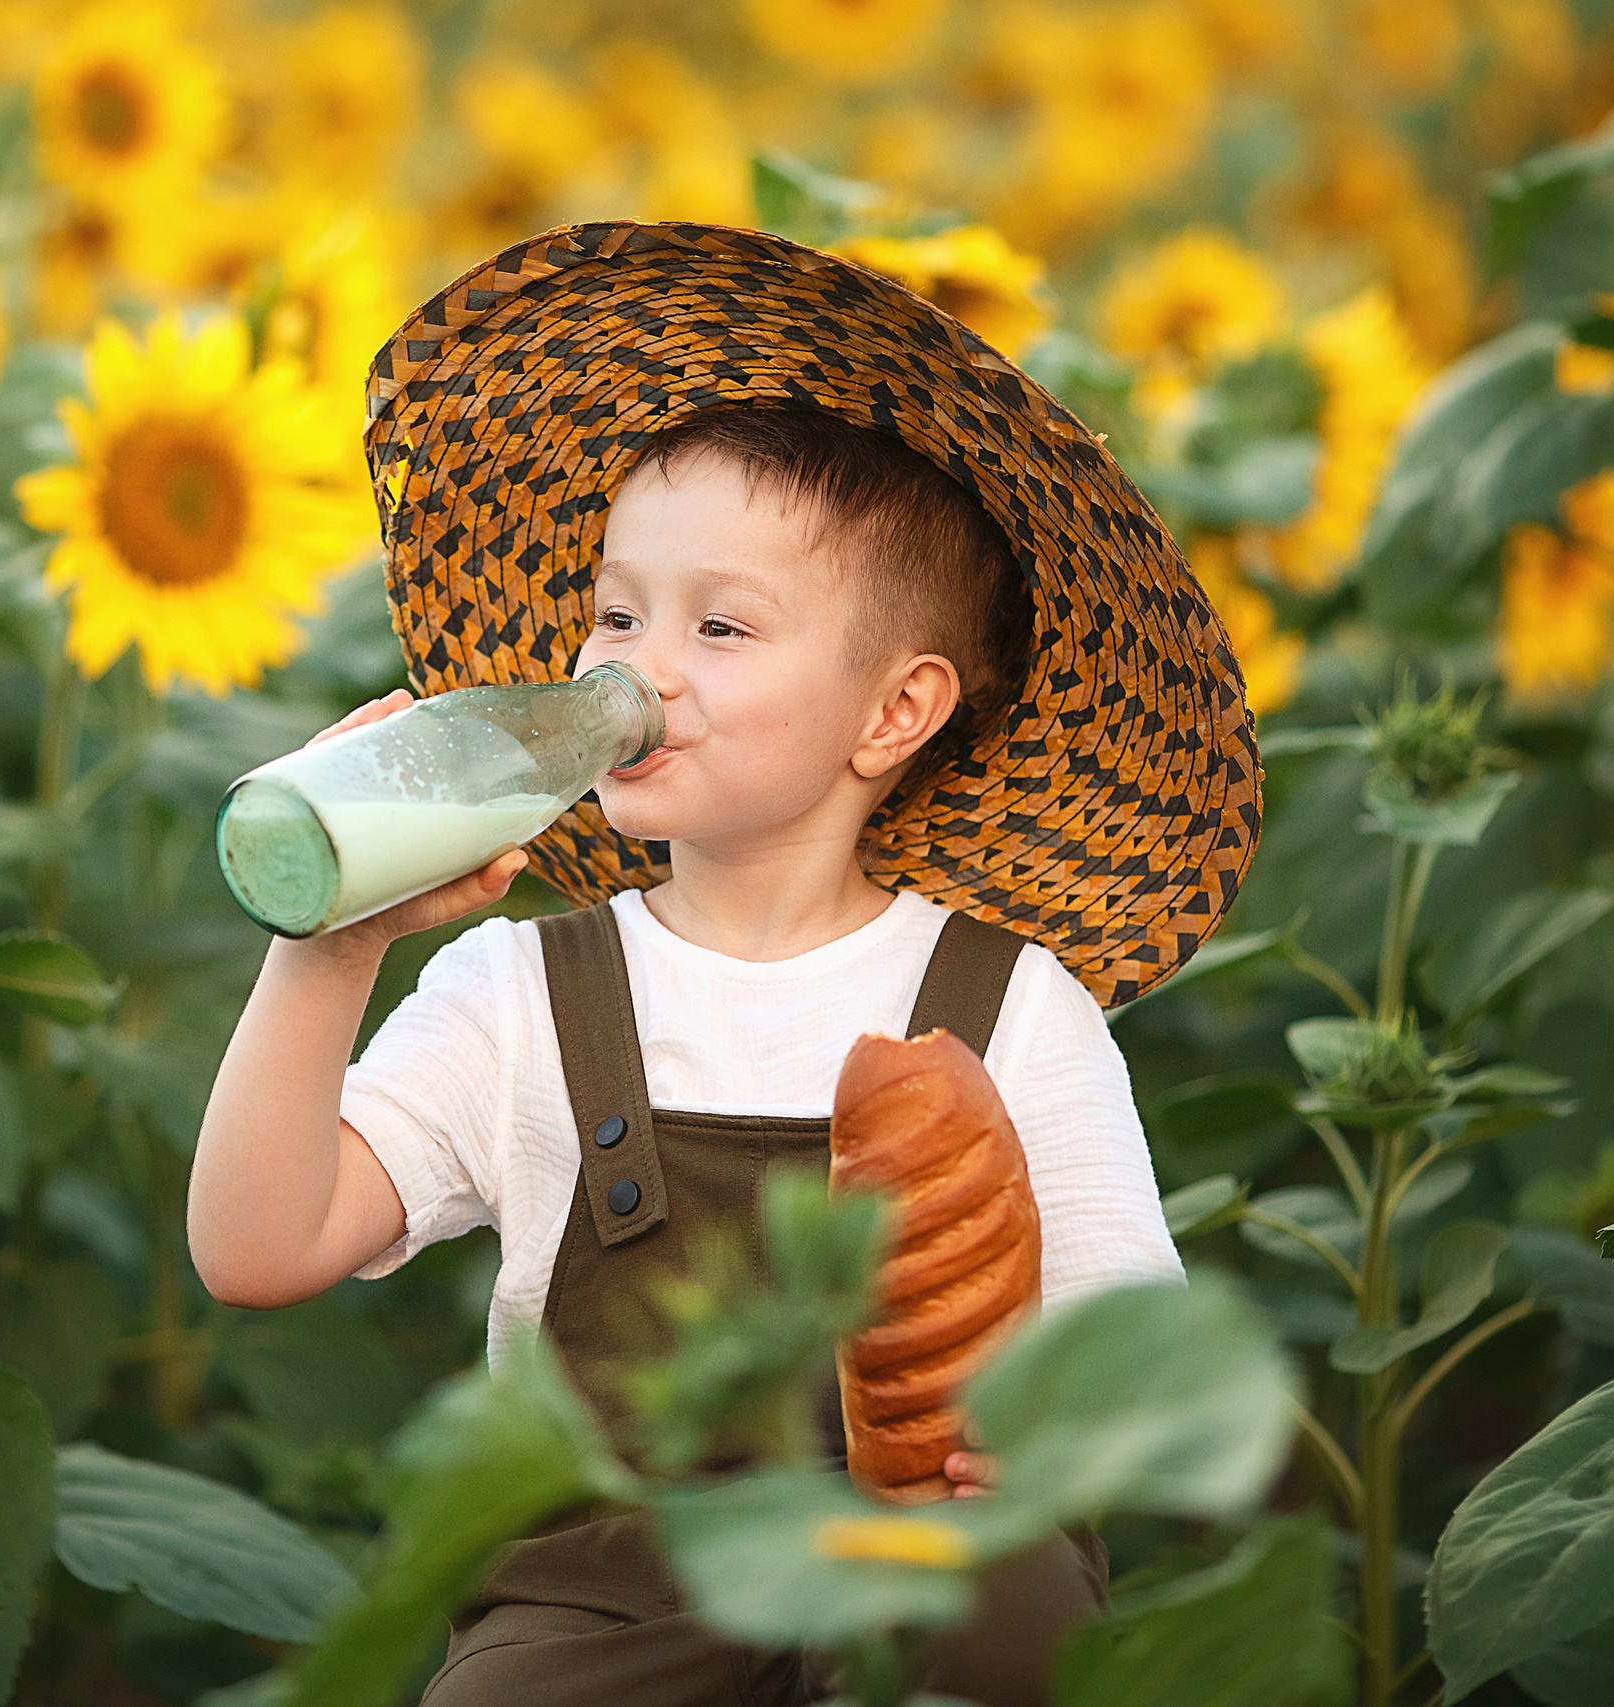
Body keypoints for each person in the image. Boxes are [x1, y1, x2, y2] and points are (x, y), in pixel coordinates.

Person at [189, 222, 1263, 1707]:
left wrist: (1046, 1435)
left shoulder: (1010, 1007)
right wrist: (326, 951)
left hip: (921, 1562)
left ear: (894, 714)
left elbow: (1139, 1349)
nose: (642, 668)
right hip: (614, 1608)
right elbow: (258, 1249)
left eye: (721, 624)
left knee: (1017, 1633)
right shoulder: (523, 994)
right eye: (617, 613)